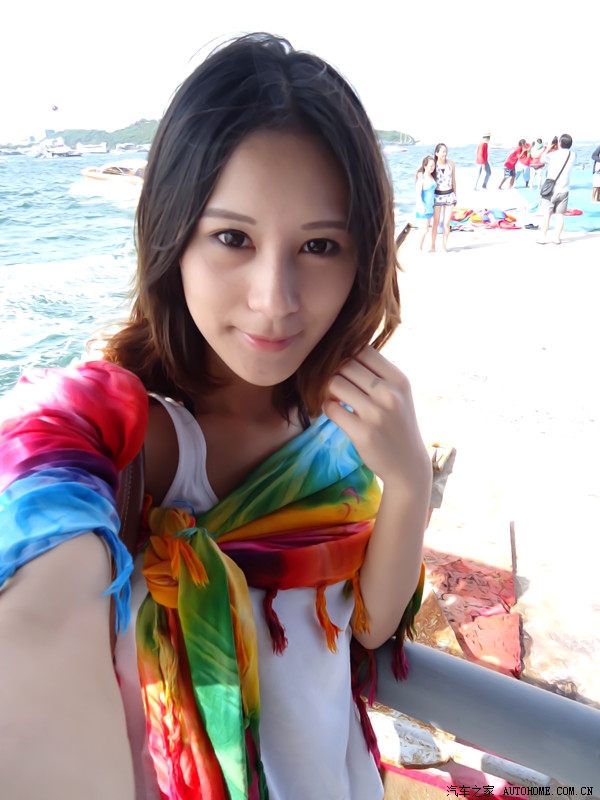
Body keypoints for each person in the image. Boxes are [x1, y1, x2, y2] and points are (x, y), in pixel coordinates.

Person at [0, 34, 432, 800]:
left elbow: (366, 625)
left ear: (362, 257)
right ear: (173, 238)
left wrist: (409, 482)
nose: (275, 300)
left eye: (319, 246)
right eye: (233, 238)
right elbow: (39, 599)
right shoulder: (130, 437)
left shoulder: (342, 435)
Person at [537, 132, 576, 245]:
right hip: (564, 190)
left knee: (547, 215)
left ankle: (543, 238)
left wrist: (549, 147)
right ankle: (557, 238)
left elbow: (541, 159)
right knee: (559, 216)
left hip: (551, 190)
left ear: (559, 143)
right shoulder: (573, 155)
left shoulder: (553, 155)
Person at [430, 143, 457, 252]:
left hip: (449, 195)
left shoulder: (451, 164)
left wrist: (455, 195)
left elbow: (454, 180)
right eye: (443, 152)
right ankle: (432, 246)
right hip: (437, 195)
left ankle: (444, 246)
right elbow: (425, 174)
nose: (445, 154)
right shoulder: (433, 165)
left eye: (446, 151)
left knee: (446, 223)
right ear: (436, 153)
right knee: (436, 222)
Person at [415, 155, 437, 249]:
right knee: (424, 230)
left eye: (434, 165)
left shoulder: (432, 176)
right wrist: (421, 206)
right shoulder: (421, 178)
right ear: (425, 166)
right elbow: (418, 194)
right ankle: (419, 248)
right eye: (430, 165)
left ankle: (420, 247)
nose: (433, 167)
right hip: (424, 207)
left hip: (430, 206)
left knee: (426, 229)